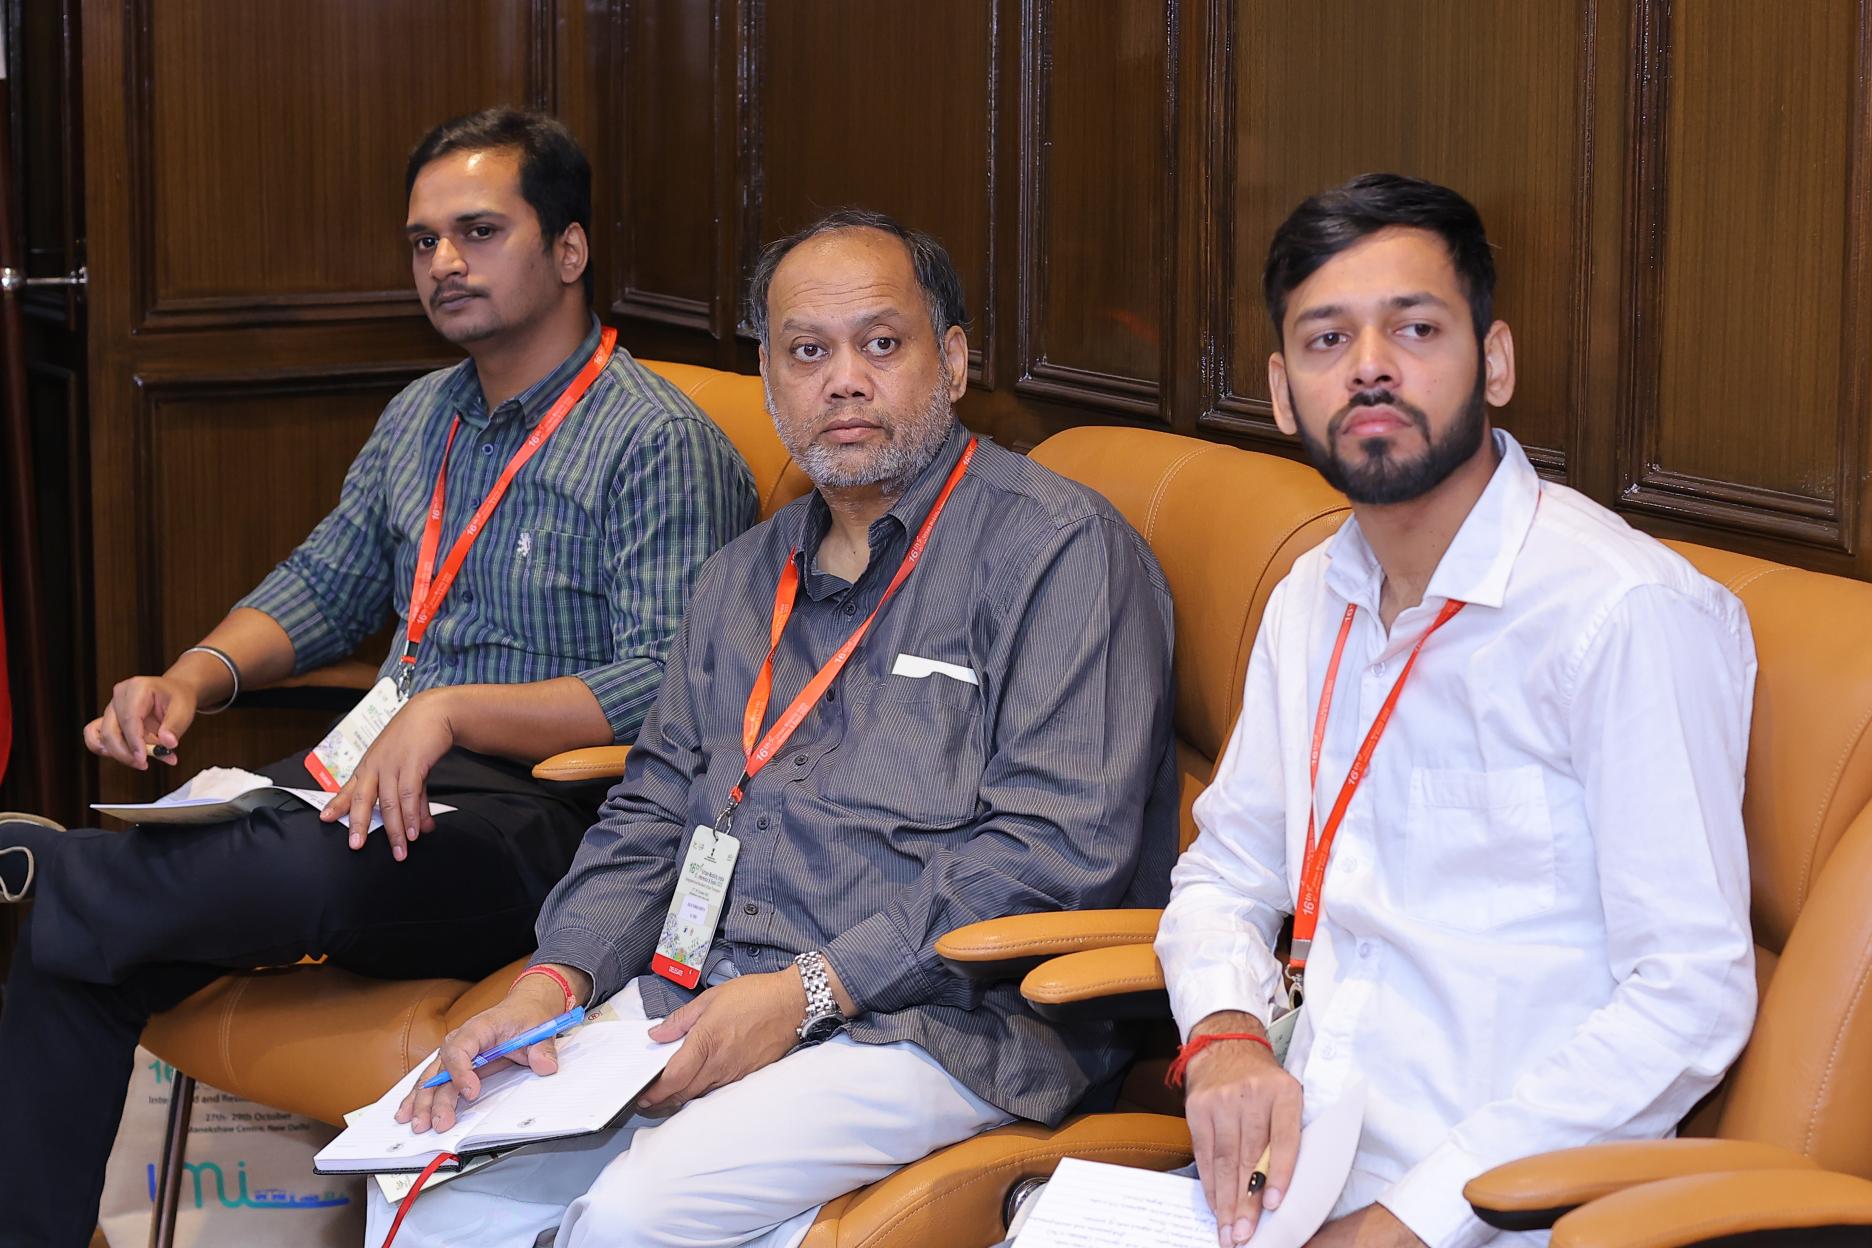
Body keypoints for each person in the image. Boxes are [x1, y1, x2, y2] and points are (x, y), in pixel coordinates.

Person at [0, 108, 756, 1247]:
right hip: (370, 783)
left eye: (478, 232)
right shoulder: (423, 416)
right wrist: (193, 678)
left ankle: (53, 870)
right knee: (86, 950)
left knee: (292, 862)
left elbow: (670, 686)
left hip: (545, 821)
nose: (444, 262)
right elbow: (325, 581)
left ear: (569, 250)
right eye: (422, 241)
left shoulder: (658, 443)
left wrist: (456, 713)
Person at [365, 208, 1180, 1248]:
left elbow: (1050, 855)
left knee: (630, 1220)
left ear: (953, 361)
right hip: (702, 989)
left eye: (880, 344)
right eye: (807, 352)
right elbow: (653, 809)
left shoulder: (1059, 553)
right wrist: (552, 983)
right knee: (424, 1180)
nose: (844, 381)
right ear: (768, 377)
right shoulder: (741, 579)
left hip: (936, 1025)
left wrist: (806, 994)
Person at [1153, 173, 1758, 1248]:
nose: (1370, 365)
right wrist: (1230, 1032)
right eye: (1327, 338)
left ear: (1496, 362)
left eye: (1415, 327)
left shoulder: (1619, 613)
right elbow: (1224, 874)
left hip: (1495, 1212)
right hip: (1291, 1177)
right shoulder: (1312, 598)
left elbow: (1690, 994)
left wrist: (1410, 1220)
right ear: (1283, 393)